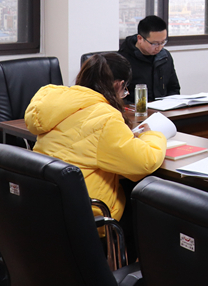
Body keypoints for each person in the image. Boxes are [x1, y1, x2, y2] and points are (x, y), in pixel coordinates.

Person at [24, 53, 167, 257]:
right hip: (90, 212)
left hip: (48, 204)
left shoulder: (55, 101)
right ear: (118, 84)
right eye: (125, 89)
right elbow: (144, 162)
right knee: (149, 210)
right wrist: (154, 135)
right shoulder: (104, 117)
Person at [118, 15, 180, 102]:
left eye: (163, 42)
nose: (159, 47)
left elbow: (173, 88)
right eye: (154, 43)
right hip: (136, 109)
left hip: (163, 108)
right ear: (140, 39)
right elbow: (118, 97)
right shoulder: (122, 61)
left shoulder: (165, 57)